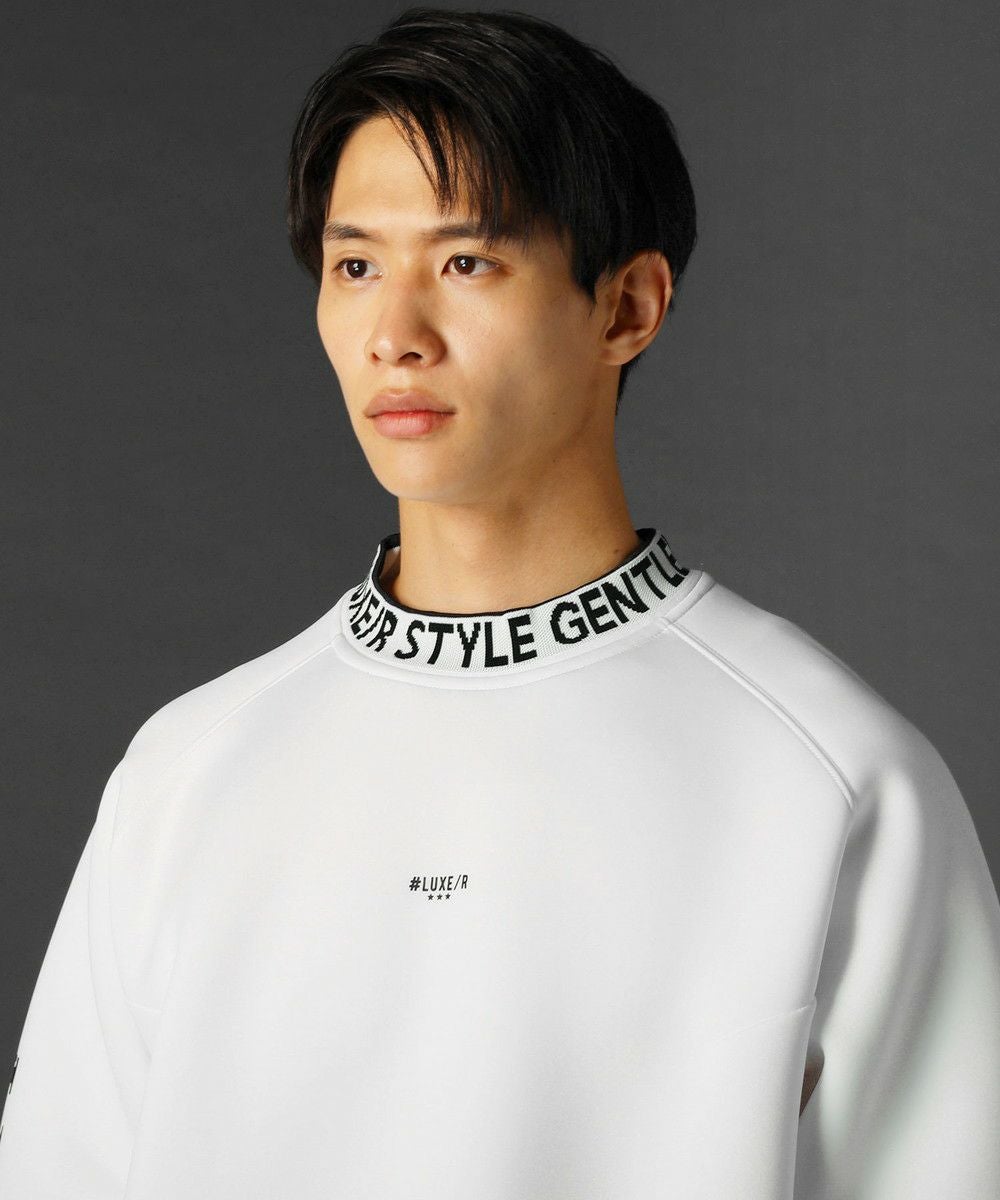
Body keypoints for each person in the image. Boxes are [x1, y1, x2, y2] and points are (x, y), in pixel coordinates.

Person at [2, 7, 999, 1198]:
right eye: (355, 266)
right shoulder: (186, 773)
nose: (395, 334)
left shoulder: (827, 779)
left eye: (466, 263)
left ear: (626, 307)